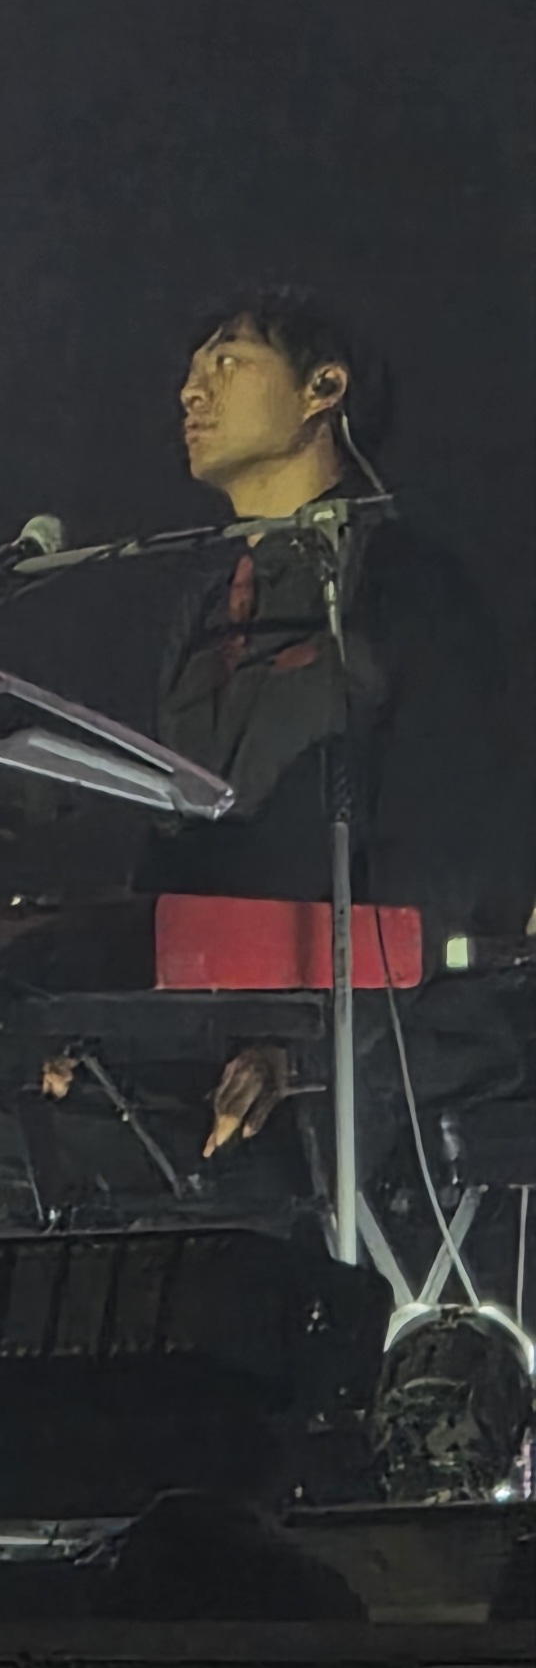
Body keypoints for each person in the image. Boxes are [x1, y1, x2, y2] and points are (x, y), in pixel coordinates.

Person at [142, 293, 529, 1165]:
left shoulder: (409, 583)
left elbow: (453, 848)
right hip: (223, 1018)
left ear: (324, 389)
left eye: (228, 362)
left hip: (397, 1027)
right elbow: (170, 840)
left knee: (271, 1156)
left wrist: (311, 1050)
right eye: (192, 372)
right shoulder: (206, 605)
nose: (192, 392)